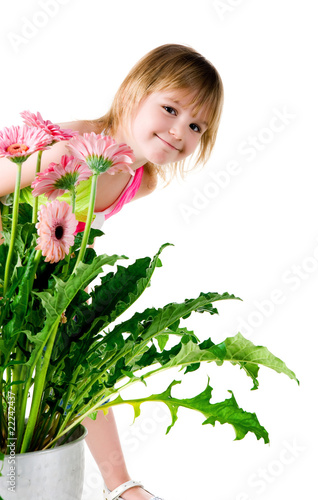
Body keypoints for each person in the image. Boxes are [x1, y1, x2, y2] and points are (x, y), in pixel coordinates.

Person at [0, 43, 224, 500]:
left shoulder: (139, 181)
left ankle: (121, 486)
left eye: (197, 125)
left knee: (82, 351)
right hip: (11, 270)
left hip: (44, 279)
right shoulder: (74, 148)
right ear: (133, 92)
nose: (180, 130)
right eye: (170, 108)